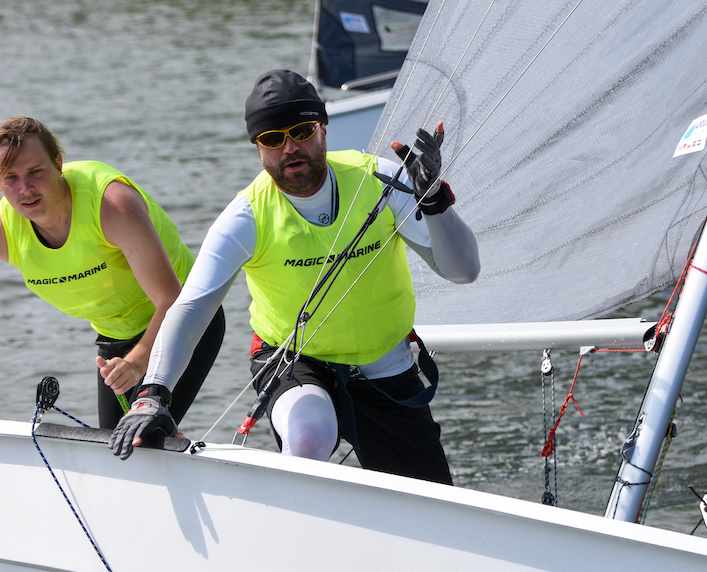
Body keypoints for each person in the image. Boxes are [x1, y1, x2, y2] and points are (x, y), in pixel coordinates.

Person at [110, 70, 479, 484]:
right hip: (292, 361)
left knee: (428, 497)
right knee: (309, 435)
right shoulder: (247, 215)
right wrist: (153, 393)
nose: (290, 148)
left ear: (324, 128)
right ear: (258, 148)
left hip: (384, 365)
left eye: (302, 131)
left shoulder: (381, 180)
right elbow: (193, 306)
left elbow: (463, 271)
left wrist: (435, 202)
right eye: (272, 138)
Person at [0, 116, 224, 430]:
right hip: (116, 341)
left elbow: (170, 299)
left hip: (186, 320)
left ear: (58, 164)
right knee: (118, 453)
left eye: (36, 172)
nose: (25, 189)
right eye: (11, 178)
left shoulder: (112, 205)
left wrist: (138, 360)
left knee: (144, 440)